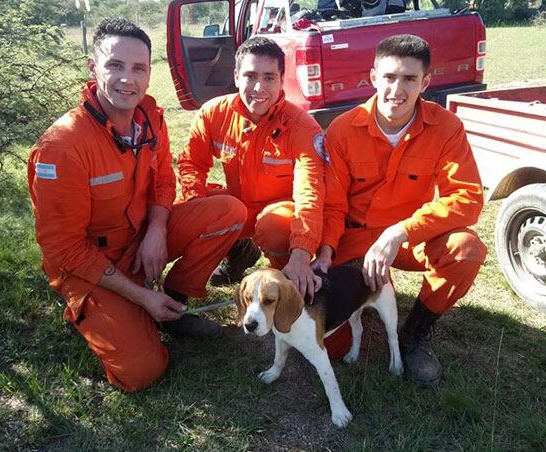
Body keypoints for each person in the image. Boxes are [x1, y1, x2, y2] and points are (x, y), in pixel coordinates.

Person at [27, 18, 247, 392]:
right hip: (90, 266)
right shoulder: (63, 146)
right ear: (93, 67)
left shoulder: (150, 119)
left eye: (138, 68)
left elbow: (164, 180)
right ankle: (108, 311)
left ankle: (173, 306)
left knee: (230, 211)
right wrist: (141, 296)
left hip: (142, 240)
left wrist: (157, 231)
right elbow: (64, 248)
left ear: (149, 73)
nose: (127, 79)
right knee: (143, 372)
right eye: (115, 66)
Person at [313, 34, 487, 388]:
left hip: (411, 236)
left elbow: (467, 197)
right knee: (331, 343)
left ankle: (415, 334)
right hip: (356, 235)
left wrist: (401, 232)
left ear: (426, 82)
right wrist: (327, 251)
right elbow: (332, 204)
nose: (397, 89)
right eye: (390, 77)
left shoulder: (447, 127)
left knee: (466, 250)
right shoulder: (343, 129)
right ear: (373, 76)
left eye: (409, 79)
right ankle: (369, 286)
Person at [178, 36, 326, 300]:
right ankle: (188, 286)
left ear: (282, 79)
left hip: (280, 215)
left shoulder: (302, 127)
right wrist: (195, 204)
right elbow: (192, 165)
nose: (259, 87)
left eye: (269, 77)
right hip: (238, 208)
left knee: (274, 225)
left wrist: (302, 252)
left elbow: (310, 193)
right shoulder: (213, 113)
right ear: (236, 76)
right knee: (190, 208)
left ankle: (286, 284)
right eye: (250, 76)